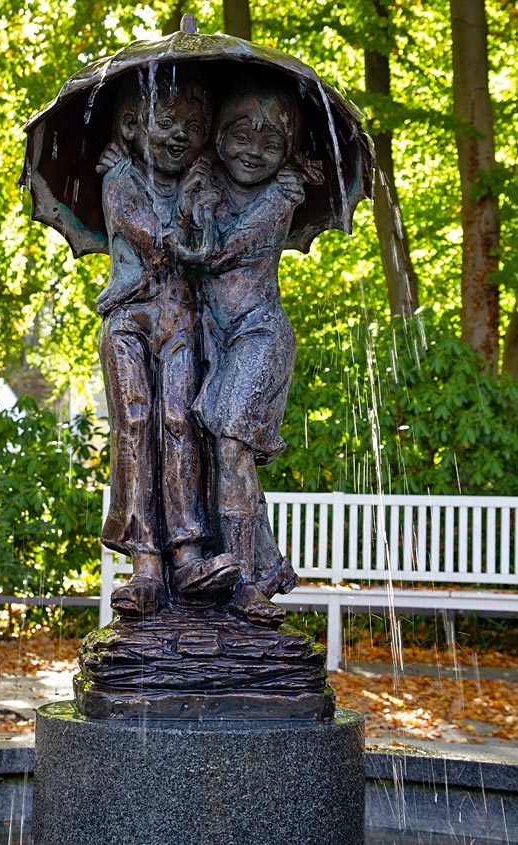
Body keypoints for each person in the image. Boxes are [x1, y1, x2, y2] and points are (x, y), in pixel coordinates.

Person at [176, 82, 324, 626]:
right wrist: (195, 195)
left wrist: (206, 209)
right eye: (240, 134)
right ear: (218, 136)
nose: (254, 150)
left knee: (233, 448)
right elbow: (186, 241)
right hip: (214, 340)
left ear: (288, 154)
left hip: (259, 335)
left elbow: (218, 254)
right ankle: (259, 569)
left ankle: (240, 580)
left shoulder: (281, 197)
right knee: (218, 455)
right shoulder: (206, 180)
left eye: (272, 143)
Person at [97, 67, 241, 618]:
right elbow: (156, 243)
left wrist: (203, 197)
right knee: (135, 423)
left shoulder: (200, 183)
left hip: (180, 319)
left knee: (181, 422)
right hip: (128, 318)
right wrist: (186, 226)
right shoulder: (120, 180)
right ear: (133, 126)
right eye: (167, 121)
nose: (180, 134)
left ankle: (187, 554)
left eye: (195, 126)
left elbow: (206, 240)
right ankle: (145, 564)